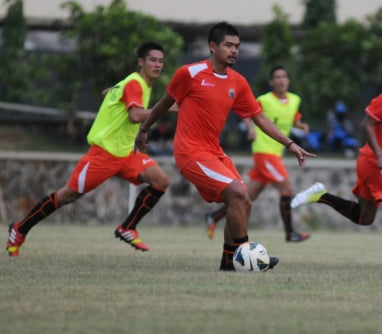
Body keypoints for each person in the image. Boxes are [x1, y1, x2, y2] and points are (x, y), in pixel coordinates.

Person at [134, 22, 314, 271]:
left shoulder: (238, 82)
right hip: (190, 152)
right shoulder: (190, 73)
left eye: (237, 46)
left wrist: (290, 143)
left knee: (244, 201)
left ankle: (228, 263)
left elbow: (259, 117)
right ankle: (250, 256)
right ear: (212, 46)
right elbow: (164, 103)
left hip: (214, 153)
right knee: (238, 195)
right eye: (228, 45)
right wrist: (144, 130)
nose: (234, 50)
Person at [6, 42, 171, 256]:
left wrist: (141, 131)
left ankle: (127, 227)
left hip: (125, 154)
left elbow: (108, 93)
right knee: (67, 196)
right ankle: (20, 229)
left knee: (161, 180)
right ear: (141, 61)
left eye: (160, 61)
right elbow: (135, 115)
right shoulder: (136, 83)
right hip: (103, 155)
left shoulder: (136, 84)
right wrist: (165, 108)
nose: (157, 65)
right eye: (153, 60)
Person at [290, 54, 382, 271]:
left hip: (378, 163)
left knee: (364, 217)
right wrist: (380, 154)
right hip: (374, 162)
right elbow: (367, 124)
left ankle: (321, 195)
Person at [204, 66, 312, 243]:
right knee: (287, 189)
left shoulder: (295, 100)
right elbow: (248, 113)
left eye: (284, 76)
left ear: (288, 80)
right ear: (271, 82)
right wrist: (250, 128)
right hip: (264, 152)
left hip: (276, 154)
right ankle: (290, 233)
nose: (281, 80)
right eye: (277, 77)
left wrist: (301, 126)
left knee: (247, 197)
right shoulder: (264, 100)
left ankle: (214, 216)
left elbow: (294, 119)